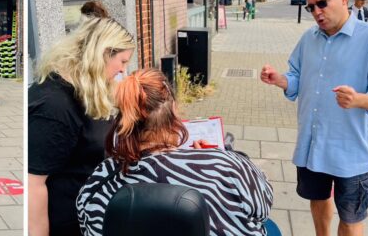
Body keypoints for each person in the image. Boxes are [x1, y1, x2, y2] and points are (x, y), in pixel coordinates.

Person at [260, 0, 368, 236]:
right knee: (319, 199)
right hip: (314, 144)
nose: (316, 12)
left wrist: (359, 99)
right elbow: (297, 76)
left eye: (322, 3)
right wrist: (281, 80)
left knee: (351, 216)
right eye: (311, 7)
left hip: (351, 152)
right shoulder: (308, 38)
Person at [76, 69, 275, 236]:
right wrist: (213, 157)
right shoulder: (225, 166)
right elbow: (263, 208)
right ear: (173, 109)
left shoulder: (100, 179)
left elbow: (88, 226)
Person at [29, 16, 135, 236]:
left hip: (88, 216)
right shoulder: (54, 107)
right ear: (103, 54)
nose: (123, 70)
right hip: (65, 223)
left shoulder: (85, 89)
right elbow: (33, 185)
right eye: (122, 62)